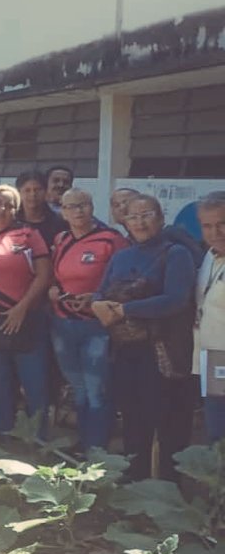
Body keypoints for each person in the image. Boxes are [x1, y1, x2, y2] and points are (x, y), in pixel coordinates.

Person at [93, 194, 197, 480]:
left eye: (147, 214)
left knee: (168, 423)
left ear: (161, 219)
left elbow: (176, 300)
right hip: (126, 351)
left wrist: (125, 309)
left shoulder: (176, 253)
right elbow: (101, 292)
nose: (139, 222)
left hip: (161, 352)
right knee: (132, 417)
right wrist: (96, 304)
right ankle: (135, 480)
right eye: (133, 216)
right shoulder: (121, 256)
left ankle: (169, 488)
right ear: (124, 222)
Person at [0, 184, 52, 441]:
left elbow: (44, 274)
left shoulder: (28, 235)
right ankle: (3, 435)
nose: (2, 209)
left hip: (28, 319)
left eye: (9, 204)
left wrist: (21, 309)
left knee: (36, 384)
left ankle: (39, 441)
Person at [47, 188, 126, 452]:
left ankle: (98, 450)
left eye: (84, 205)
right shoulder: (60, 239)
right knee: (78, 388)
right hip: (63, 324)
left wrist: (97, 296)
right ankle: (84, 443)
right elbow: (54, 276)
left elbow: (126, 282)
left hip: (96, 326)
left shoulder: (111, 239)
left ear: (92, 207)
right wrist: (53, 290)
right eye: (71, 207)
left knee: (97, 390)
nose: (78, 211)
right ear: (63, 212)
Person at [195, 191, 225, 442]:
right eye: (208, 226)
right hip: (213, 355)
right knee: (217, 430)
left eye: (222, 224)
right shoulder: (210, 256)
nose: (216, 232)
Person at [16, 170, 68, 248]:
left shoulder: (60, 222)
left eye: (37, 190)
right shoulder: (12, 221)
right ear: (19, 193)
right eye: (27, 190)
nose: (33, 194)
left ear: (46, 191)